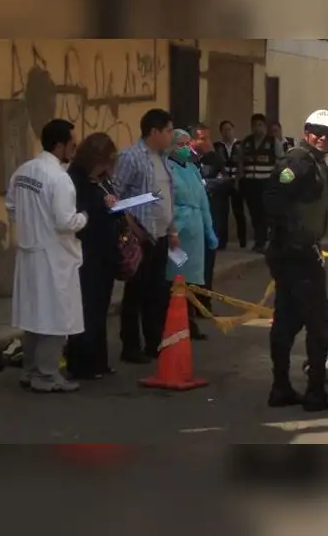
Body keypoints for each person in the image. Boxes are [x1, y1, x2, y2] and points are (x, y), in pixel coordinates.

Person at [263, 109, 328, 411]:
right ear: (307, 133)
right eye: (316, 132)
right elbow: (272, 197)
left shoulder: (316, 164)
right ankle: (315, 392)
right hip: (296, 254)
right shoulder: (298, 162)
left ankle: (281, 388)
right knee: (318, 322)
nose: (322, 138)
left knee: (288, 318)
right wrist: (291, 238)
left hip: (297, 251)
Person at [5, 119, 87, 392]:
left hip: (29, 253)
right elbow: (65, 221)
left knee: (32, 316)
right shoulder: (59, 179)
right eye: (72, 145)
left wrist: (31, 224)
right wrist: (84, 218)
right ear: (60, 145)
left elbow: (11, 206)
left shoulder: (23, 171)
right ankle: (47, 375)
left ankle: (30, 371)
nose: (74, 150)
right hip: (54, 257)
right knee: (55, 317)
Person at [113, 109, 177, 363]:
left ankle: (154, 341)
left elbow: (167, 197)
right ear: (154, 131)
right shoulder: (131, 157)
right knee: (135, 293)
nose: (171, 136)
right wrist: (132, 226)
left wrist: (172, 230)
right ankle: (130, 346)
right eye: (169, 131)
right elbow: (114, 196)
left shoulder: (163, 158)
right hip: (141, 236)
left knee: (158, 292)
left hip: (161, 235)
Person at [65, 133, 121, 380]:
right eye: (104, 162)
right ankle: (81, 361)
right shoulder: (74, 180)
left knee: (101, 306)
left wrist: (115, 206)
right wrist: (103, 206)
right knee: (86, 307)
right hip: (86, 252)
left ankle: (99, 360)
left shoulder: (102, 179)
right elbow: (78, 214)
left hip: (106, 250)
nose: (107, 168)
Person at [165, 127, 220, 340]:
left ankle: (190, 320)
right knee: (176, 278)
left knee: (193, 279)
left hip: (195, 229)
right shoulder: (167, 169)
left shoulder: (193, 169)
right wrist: (171, 228)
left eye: (188, 144)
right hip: (178, 228)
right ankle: (176, 323)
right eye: (181, 144)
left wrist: (209, 229)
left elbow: (203, 202)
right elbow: (165, 202)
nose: (186, 148)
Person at [197, 124, 232, 314]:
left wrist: (207, 184)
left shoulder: (215, 158)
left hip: (210, 217)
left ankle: (205, 304)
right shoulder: (184, 161)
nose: (207, 143)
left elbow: (224, 180)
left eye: (208, 138)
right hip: (192, 222)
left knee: (208, 264)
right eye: (202, 138)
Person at [240, 113, 275, 253]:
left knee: (265, 213)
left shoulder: (272, 142)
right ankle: (258, 241)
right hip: (250, 183)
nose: (257, 128)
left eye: (260, 125)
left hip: (266, 183)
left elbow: (281, 161)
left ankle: (264, 241)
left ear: (265, 127)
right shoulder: (247, 142)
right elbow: (241, 161)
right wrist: (239, 180)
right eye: (254, 125)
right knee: (254, 213)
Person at [212, 119, 245, 249]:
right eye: (224, 130)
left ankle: (242, 239)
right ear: (221, 132)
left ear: (233, 129)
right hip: (223, 182)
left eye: (229, 129)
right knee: (222, 212)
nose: (227, 132)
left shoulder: (240, 145)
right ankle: (222, 241)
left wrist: (238, 179)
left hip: (237, 181)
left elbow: (242, 163)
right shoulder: (217, 146)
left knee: (238, 211)